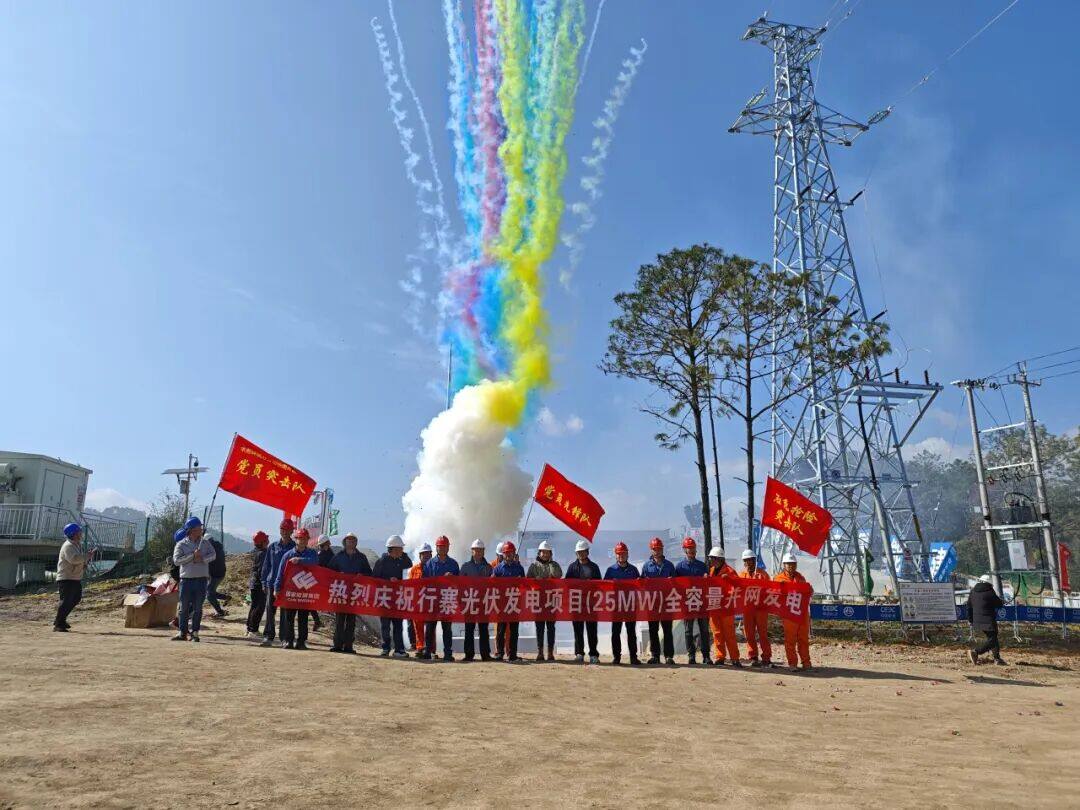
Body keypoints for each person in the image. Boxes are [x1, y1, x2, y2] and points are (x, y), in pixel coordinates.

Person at [172, 516, 216, 642]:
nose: (201, 530)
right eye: (198, 528)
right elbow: (176, 561)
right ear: (191, 530)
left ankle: (195, 632)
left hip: (201, 580)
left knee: (198, 608)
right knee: (184, 608)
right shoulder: (181, 544)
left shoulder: (205, 543)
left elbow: (213, 555)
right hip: (186, 580)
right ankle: (182, 632)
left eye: (201, 528)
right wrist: (192, 556)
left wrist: (202, 559)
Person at [274, 528, 318, 650]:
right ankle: (288, 640)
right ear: (296, 539)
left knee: (303, 618)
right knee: (289, 617)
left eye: (304, 538)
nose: (302, 541)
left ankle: (301, 642)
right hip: (290, 591)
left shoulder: (312, 554)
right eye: (300, 538)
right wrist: (277, 588)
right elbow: (280, 573)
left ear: (308, 540)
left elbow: (315, 562)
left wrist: (299, 561)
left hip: (306, 591)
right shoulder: (288, 555)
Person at [328, 533, 371, 654]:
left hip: (354, 593)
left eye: (353, 540)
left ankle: (348, 646)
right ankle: (337, 645)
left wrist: (361, 575)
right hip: (341, 592)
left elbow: (369, 573)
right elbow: (329, 571)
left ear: (356, 542)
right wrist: (338, 575)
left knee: (351, 621)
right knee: (339, 620)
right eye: (349, 540)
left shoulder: (361, 557)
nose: (351, 542)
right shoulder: (338, 556)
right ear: (345, 542)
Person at [372, 535, 412, 657]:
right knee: (385, 625)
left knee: (398, 625)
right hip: (385, 598)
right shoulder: (382, 562)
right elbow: (374, 579)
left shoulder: (401, 560)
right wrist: (388, 580)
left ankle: (399, 650)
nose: (402, 551)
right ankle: (386, 648)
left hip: (397, 599)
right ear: (393, 549)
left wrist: (403, 554)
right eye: (400, 549)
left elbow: (409, 563)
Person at [675, 537, 713, 665]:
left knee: (704, 630)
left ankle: (706, 656)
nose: (691, 550)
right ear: (684, 550)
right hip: (687, 603)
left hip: (701, 602)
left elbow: (708, 584)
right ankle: (691, 655)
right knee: (688, 631)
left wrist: (707, 578)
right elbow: (676, 586)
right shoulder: (679, 567)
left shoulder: (702, 566)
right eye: (689, 548)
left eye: (693, 548)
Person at [259, 519, 296, 647]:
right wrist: (264, 582)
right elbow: (266, 566)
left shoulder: (294, 548)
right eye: (282, 529)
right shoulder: (273, 546)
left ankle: (284, 638)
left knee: (285, 612)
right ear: (280, 530)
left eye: (287, 530)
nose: (285, 532)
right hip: (271, 583)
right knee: (270, 611)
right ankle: (268, 636)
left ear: (291, 531)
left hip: (287, 585)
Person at [774, 552, 813, 671]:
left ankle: (806, 663)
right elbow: (774, 594)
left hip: (801, 613)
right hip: (789, 613)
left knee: (803, 639)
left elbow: (808, 592)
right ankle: (792, 663)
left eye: (793, 564)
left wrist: (809, 589)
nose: (791, 566)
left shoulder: (801, 578)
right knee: (790, 639)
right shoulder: (779, 579)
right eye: (788, 564)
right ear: (784, 565)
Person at [423, 535, 459, 661]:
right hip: (433, 600)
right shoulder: (429, 564)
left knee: (447, 629)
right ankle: (428, 651)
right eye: (440, 546)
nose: (442, 548)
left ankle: (448, 653)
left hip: (447, 600)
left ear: (448, 548)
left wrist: (452, 578)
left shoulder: (453, 564)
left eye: (444, 546)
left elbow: (459, 583)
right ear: (436, 548)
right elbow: (424, 582)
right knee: (430, 628)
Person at [604, 541, 641, 665]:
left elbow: (640, 587)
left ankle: (633, 657)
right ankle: (616, 657)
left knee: (631, 632)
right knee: (616, 632)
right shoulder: (610, 570)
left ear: (627, 554)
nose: (621, 556)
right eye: (619, 554)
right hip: (616, 607)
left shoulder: (633, 570)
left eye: (623, 553)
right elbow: (604, 587)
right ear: (615, 555)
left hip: (630, 606)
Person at [565, 539, 602, 664]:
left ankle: (593, 654)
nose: (581, 554)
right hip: (577, 604)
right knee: (578, 630)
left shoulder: (594, 567)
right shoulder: (572, 567)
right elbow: (567, 584)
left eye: (583, 551)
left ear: (587, 552)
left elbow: (600, 585)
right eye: (578, 552)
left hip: (591, 604)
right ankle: (579, 653)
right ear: (576, 553)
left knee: (592, 631)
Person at [641, 537, 676, 665]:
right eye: (655, 549)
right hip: (652, 604)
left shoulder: (669, 565)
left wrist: (672, 581)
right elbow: (641, 584)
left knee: (667, 631)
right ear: (651, 550)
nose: (657, 551)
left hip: (666, 603)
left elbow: (677, 584)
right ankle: (655, 655)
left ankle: (669, 656)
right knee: (653, 630)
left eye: (659, 549)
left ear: (662, 549)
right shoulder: (646, 566)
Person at [527, 540, 562, 662]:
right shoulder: (534, 566)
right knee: (539, 627)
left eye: (548, 552)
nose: (545, 554)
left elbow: (558, 575)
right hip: (538, 601)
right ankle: (540, 652)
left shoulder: (555, 565)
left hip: (552, 600)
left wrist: (551, 564)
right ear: (539, 553)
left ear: (551, 554)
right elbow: (527, 581)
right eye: (543, 552)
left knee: (551, 627)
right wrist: (535, 580)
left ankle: (550, 652)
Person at [707, 547, 741, 667]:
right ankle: (720, 656)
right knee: (717, 633)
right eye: (711, 558)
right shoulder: (711, 571)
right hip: (714, 606)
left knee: (729, 634)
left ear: (720, 559)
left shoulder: (730, 571)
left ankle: (735, 658)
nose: (712, 561)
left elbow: (739, 585)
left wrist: (729, 580)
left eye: (714, 558)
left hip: (726, 607)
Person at [54, 522, 91, 632]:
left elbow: (78, 560)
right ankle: (58, 624)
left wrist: (84, 563)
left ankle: (61, 620)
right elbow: (74, 559)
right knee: (66, 600)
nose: (81, 534)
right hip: (66, 578)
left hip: (74, 577)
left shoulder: (76, 545)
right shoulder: (68, 546)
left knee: (75, 599)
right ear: (73, 534)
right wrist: (86, 557)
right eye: (79, 532)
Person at [460, 539, 492, 662]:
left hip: (483, 603)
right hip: (470, 602)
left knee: (484, 629)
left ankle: (485, 654)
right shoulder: (465, 567)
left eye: (480, 550)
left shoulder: (489, 568)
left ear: (484, 551)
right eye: (476, 550)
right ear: (472, 551)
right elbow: (460, 585)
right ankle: (469, 654)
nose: (478, 552)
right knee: (469, 629)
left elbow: (493, 586)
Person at [493, 541, 525, 662]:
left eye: (511, 553)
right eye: (506, 553)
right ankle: (500, 653)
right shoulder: (498, 569)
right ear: (503, 554)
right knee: (501, 630)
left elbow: (525, 585)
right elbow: (492, 585)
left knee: (514, 631)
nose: (508, 555)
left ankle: (512, 654)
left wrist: (520, 581)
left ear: (514, 553)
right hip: (501, 604)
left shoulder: (519, 568)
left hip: (514, 603)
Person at [741, 548, 772, 667]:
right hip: (747, 609)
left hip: (761, 609)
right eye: (746, 560)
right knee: (749, 634)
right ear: (744, 562)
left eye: (751, 560)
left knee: (763, 634)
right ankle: (753, 656)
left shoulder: (763, 575)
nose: (749, 562)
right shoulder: (741, 575)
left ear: (755, 560)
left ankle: (766, 657)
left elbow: (770, 590)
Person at [967, 574, 1006, 666]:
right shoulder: (989, 591)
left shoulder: (973, 591)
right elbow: (998, 604)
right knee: (992, 639)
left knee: (992, 637)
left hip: (977, 620)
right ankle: (976, 652)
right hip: (988, 619)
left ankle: (997, 659)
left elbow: (969, 607)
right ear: (989, 583)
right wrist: (1001, 601)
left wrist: (970, 620)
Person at [407, 542, 433, 656]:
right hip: (417, 603)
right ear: (420, 556)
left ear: (431, 555)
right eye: (424, 554)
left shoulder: (434, 568)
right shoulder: (414, 570)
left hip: (430, 602)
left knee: (430, 627)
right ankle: (420, 647)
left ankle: (431, 649)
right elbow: (409, 586)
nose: (426, 556)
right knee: (418, 626)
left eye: (428, 554)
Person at [246, 531, 270, 639]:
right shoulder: (263, 553)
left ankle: (249, 628)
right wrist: (265, 583)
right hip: (259, 583)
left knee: (254, 606)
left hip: (253, 582)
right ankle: (253, 630)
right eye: (266, 539)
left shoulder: (255, 551)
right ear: (263, 542)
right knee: (259, 607)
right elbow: (262, 571)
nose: (268, 541)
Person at [205, 534, 229, 618]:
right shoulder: (218, 547)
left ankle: (220, 612)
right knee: (210, 592)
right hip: (220, 573)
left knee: (209, 595)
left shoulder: (211, 549)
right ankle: (226, 597)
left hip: (215, 574)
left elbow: (209, 561)